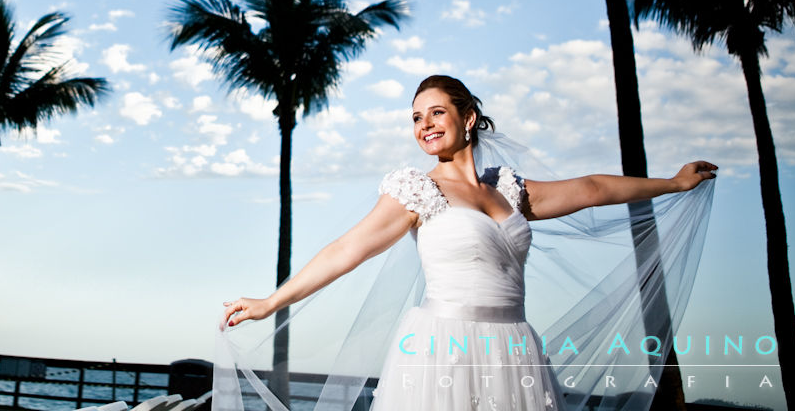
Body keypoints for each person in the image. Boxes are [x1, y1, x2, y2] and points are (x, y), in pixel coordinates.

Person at [220, 75, 717, 411]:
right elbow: (347, 250)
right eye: (416, 118)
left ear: (468, 119)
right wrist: (271, 302)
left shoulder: (508, 189)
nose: (425, 126)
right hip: (441, 348)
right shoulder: (417, 190)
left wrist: (671, 184)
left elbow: (590, 190)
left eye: (436, 113)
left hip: (514, 347)